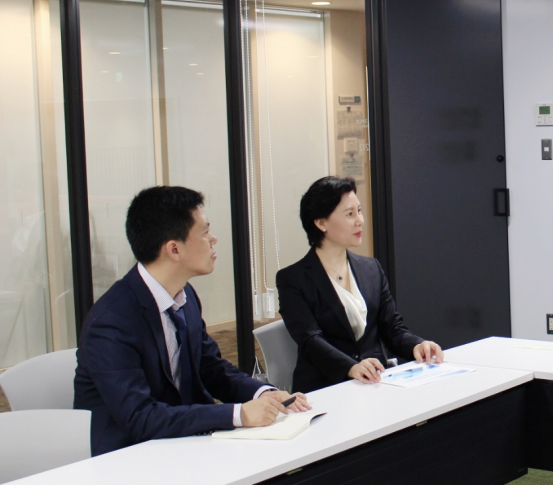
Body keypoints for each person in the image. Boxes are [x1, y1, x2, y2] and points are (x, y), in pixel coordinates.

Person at [74, 186, 310, 456]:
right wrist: (238, 414)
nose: (214, 239)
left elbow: (210, 367)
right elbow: (140, 418)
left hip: (184, 441)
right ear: (174, 249)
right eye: (205, 232)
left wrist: (262, 393)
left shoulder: (184, 294)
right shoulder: (111, 322)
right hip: (128, 455)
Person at [276, 176, 443, 393]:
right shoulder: (293, 279)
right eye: (349, 214)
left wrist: (417, 345)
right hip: (324, 388)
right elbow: (310, 340)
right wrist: (351, 367)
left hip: (375, 383)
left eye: (359, 211)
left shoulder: (371, 268)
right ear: (321, 223)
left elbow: (392, 328)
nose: (360, 221)